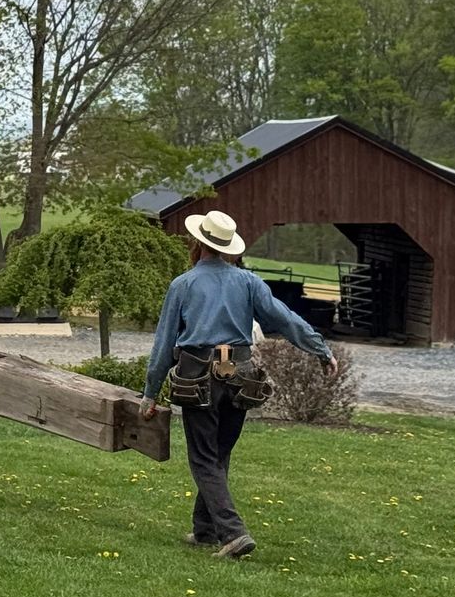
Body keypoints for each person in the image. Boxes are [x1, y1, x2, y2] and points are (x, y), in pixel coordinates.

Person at [140, 209, 336, 560]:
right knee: (220, 452)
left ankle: (233, 533)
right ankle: (206, 530)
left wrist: (150, 393)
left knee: (203, 457)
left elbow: (163, 344)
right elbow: (284, 318)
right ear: (228, 246)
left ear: (198, 241)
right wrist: (320, 349)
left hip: (196, 373)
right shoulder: (248, 282)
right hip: (240, 374)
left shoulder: (183, 284)